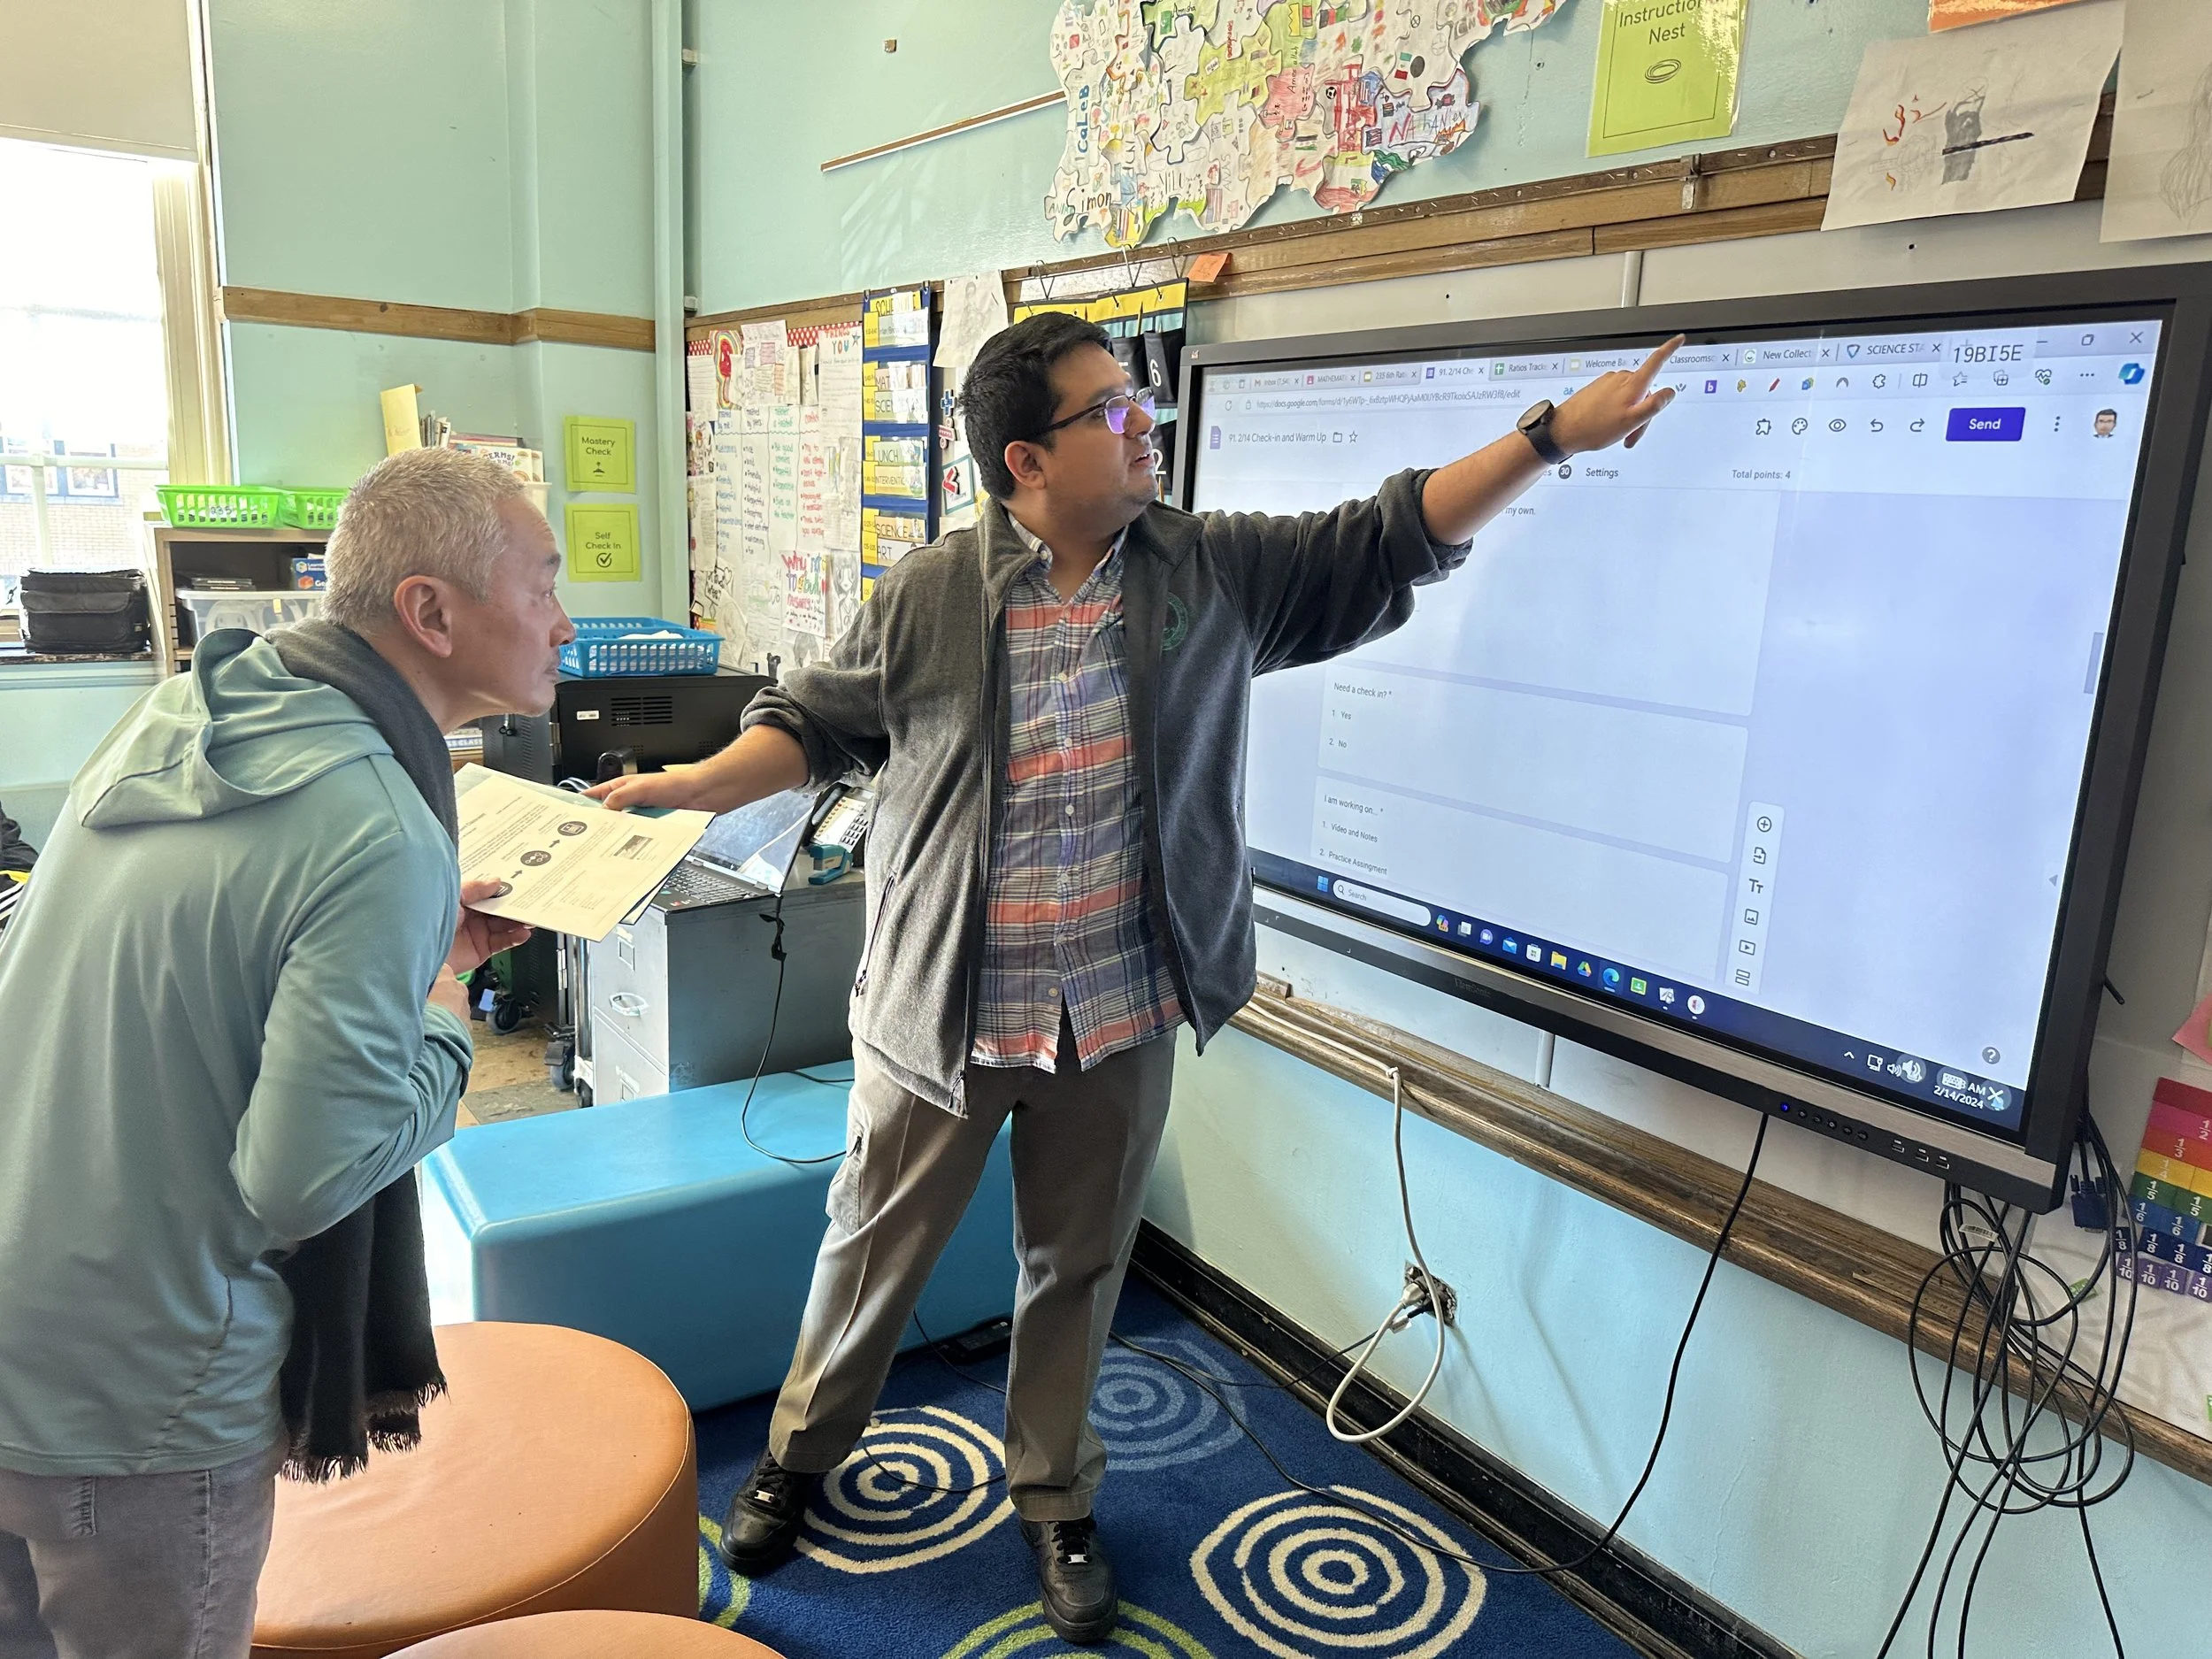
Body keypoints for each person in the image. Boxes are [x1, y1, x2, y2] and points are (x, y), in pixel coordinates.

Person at [593, 312, 1679, 1643]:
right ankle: (800, 1456)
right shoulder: (936, 589)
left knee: (1078, 1265)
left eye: (1136, 399)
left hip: (1116, 1011)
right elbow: (815, 724)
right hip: (944, 1010)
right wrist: (698, 784)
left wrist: (1549, 437)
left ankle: (1053, 1492)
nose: (1142, 421)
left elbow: (1385, 533)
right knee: (872, 1245)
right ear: (1025, 460)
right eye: (1109, 409)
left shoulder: (1205, 571)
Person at [0, 448, 572, 1659]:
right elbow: (309, 1175)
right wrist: (437, 1012)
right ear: (431, 610)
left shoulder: (182, 710)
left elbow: (210, 963)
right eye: (541, 585)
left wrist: (405, 945)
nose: (564, 621)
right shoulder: (378, 824)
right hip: (142, 1387)